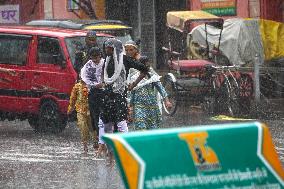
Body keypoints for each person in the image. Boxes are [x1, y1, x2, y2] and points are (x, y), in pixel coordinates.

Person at [101, 38, 148, 164]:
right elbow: (103, 75)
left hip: (120, 96)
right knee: (108, 125)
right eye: (106, 48)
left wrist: (133, 84)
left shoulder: (125, 60)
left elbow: (145, 69)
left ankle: (126, 151)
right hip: (108, 96)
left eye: (109, 48)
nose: (106, 50)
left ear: (115, 48)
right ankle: (110, 154)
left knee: (121, 124)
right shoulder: (107, 60)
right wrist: (102, 84)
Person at [125, 40, 172, 130]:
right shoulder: (129, 66)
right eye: (127, 50)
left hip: (151, 104)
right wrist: (129, 106)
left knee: (152, 127)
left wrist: (166, 100)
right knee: (140, 126)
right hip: (138, 104)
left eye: (131, 50)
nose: (128, 52)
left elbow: (159, 86)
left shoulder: (149, 73)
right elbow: (131, 90)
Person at [80, 46, 104, 150]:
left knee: (104, 116)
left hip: (105, 92)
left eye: (97, 57)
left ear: (100, 55)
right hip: (93, 93)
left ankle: (105, 138)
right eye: (93, 57)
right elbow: (85, 78)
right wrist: (95, 85)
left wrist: (103, 84)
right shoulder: (88, 65)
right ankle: (98, 138)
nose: (95, 59)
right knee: (95, 116)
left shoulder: (105, 63)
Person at [67, 79, 97, 155]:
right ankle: (85, 146)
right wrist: (70, 108)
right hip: (80, 111)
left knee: (93, 128)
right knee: (83, 127)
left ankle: (96, 143)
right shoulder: (77, 86)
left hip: (91, 111)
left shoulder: (91, 85)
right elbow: (72, 99)